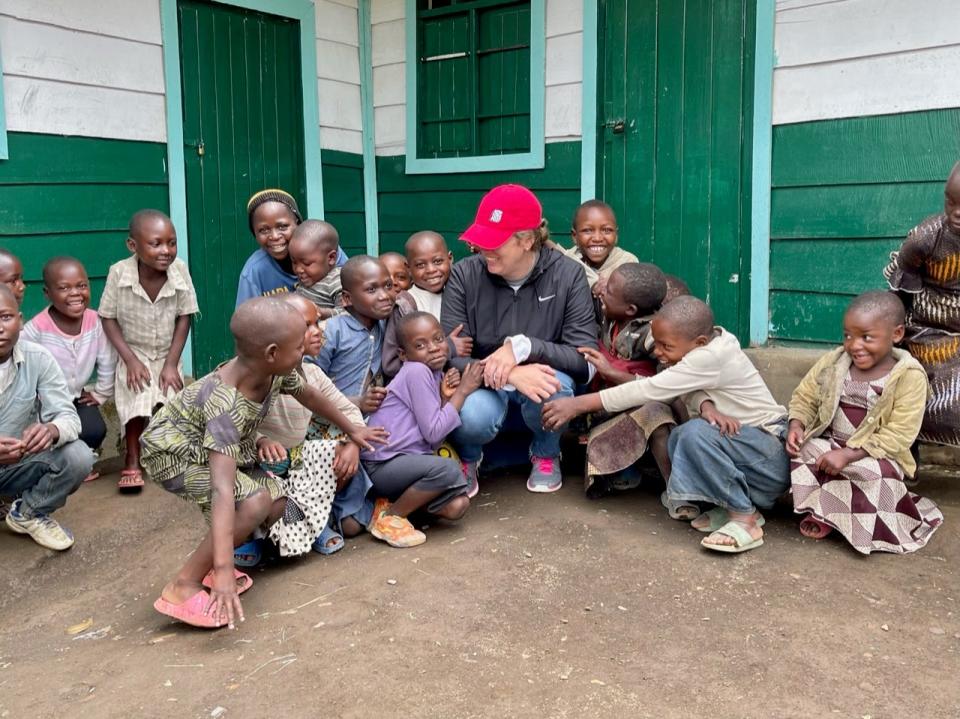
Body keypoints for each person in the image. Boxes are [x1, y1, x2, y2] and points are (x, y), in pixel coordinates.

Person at [142, 297, 387, 629]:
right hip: (173, 454)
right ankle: (184, 585)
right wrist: (226, 570)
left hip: (208, 445)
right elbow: (222, 488)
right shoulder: (225, 404)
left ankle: (215, 563)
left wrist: (352, 429)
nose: (305, 350)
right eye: (299, 346)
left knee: (275, 498)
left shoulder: (272, 370)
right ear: (272, 352)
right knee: (253, 501)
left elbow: (309, 395)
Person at [542, 296, 789, 554]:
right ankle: (733, 506)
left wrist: (577, 404)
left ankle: (744, 519)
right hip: (754, 454)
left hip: (770, 456)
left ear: (699, 342)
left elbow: (650, 389)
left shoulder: (710, 357)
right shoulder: (711, 345)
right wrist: (706, 403)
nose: (658, 352)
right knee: (684, 435)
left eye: (665, 346)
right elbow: (682, 388)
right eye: (656, 343)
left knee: (693, 434)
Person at [441, 184, 598, 494]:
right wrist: (509, 371)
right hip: (486, 386)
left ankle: (546, 452)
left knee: (556, 388)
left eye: (493, 242)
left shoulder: (568, 275)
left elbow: (585, 362)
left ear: (526, 241)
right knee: (471, 413)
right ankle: (470, 457)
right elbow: (450, 355)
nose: (482, 249)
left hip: (539, 388)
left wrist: (525, 348)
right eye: (480, 239)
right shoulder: (464, 275)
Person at [787, 291, 942, 554]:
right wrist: (796, 424)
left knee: (873, 474)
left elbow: (899, 435)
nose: (854, 345)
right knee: (804, 450)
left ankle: (858, 523)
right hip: (832, 444)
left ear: (896, 334)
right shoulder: (835, 361)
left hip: (877, 455)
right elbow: (806, 395)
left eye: (866, 337)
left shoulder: (908, 376)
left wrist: (849, 454)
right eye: (848, 335)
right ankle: (824, 512)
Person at [255, 293, 367, 557]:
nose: (317, 332)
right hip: (262, 461)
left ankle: (316, 526)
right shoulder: (258, 377)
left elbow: (348, 411)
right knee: (259, 483)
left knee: (339, 450)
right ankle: (257, 535)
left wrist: (352, 443)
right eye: (306, 326)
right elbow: (236, 425)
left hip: (297, 461)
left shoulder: (313, 374)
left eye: (317, 323)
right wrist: (261, 440)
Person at [362, 312, 484, 547]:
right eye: (420, 345)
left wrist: (445, 400)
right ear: (403, 354)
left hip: (408, 464)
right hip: (383, 465)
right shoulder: (416, 371)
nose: (434, 348)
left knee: (458, 505)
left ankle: (390, 506)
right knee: (449, 469)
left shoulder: (432, 373)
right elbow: (434, 434)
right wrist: (463, 392)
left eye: (438, 339)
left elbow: (431, 444)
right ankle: (391, 518)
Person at [99, 210, 198, 492]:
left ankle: (167, 455)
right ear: (134, 246)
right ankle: (132, 456)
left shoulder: (179, 270)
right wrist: (129, 360)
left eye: (172, 243)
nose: (166, 251)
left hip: (168, 353)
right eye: (156, 244)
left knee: (170, 399)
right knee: (138, 397)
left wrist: (171, 364)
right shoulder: (119, 273)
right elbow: (108, 317)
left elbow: (185, 316)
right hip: (135, 353)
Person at [574, 263, 682, 500]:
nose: (602, 292)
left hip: (641, 403)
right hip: (606, 408)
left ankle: (678, 491)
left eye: (609, 291)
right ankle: (624, 472)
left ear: (631, 309)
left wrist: (611, 372)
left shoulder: (654, 334)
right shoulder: (609, 315)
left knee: (657, 416)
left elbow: (666, 385)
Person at [0, 285, 95, 551]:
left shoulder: (38, 358)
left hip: (16, 465)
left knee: (78, 456)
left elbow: (68, 416)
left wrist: (52, 429)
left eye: (5, 317)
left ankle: (28, 512)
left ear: (20, 321)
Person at [307, 255, 395, 539]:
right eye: (372, 290)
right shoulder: (332, 332)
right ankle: (326, 514)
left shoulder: (386, 326)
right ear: (346, 298)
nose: (384, 296)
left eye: (388, 286)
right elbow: (308, 388)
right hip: (329, 423)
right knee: (352, 526)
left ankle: (358, 506)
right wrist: (356, 405)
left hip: (369, 419)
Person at [883, 161, 960, 447]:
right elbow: (899, 293)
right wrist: (893, 338)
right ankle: (906, 454)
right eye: (950, 201)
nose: (956, 212)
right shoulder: (926, 237)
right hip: (927, 333)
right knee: (905, 387)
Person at [22, 257, 117, 472]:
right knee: (41, 436)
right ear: (48, 293)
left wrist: (101, 393)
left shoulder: (96, 321)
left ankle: (80, 461)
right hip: (43, 402)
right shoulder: (36, 328)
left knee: (94, 429)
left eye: (81, 286)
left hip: (75, 396)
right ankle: (53, 464)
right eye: (64, 288)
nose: (75, 293)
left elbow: (107, 359)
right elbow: (21, 368)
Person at [381, 231, 473, 379]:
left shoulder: (461, 293)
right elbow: (390, 364)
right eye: (420, 265)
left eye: (437, 261)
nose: (431, 270)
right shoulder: (405, 305)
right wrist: (448, 348)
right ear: (408, 268)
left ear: (450, 259)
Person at [235, 189, 348, 306]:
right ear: (254, 233)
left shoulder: (322, 249)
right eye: (263, 230)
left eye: (282, 226)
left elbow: (354, 294)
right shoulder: (254, 271)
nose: (274, 236)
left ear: (298, 223)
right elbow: (245, 319)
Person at [555, 200, 638, 294]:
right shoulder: (566, 262)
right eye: (587, 230)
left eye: (607, 230)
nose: (597, 238)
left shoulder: (627, 262)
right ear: (575, 236)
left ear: (616, 235)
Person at [289, 220, 342, 320]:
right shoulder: (308, 278)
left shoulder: (337, 281)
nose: (298, 269)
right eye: (294, 262)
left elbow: (348, 314)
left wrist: (321, 312)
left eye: (306, 263)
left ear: (331, 258)